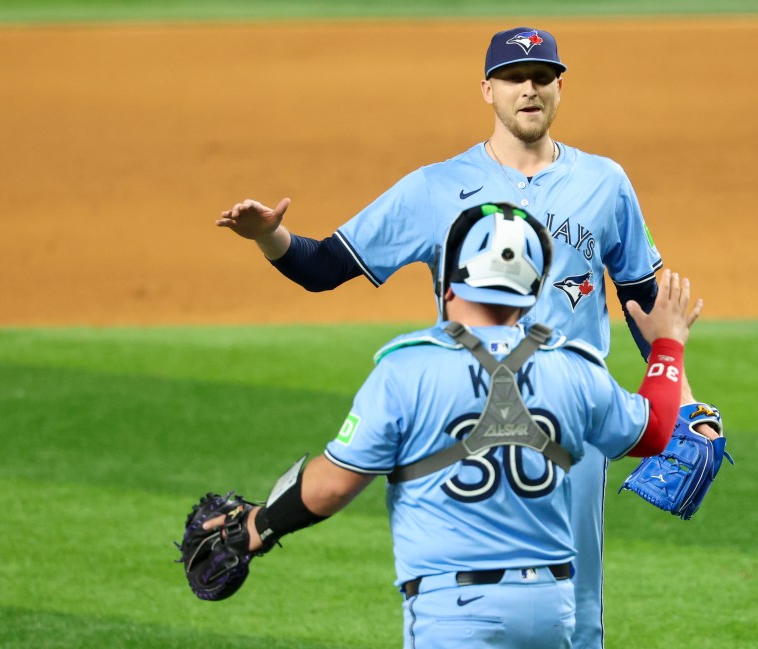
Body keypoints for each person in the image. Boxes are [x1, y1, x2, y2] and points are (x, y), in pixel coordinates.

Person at [215, 27, 720, 648]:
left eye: (541, 77)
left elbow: (645, 303)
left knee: (575, 614)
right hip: (481, 402)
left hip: (570, 419)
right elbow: (322, 267)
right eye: (514, 78)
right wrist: (269, 235)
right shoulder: (434, 187)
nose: (529, 89)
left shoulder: (605, 182)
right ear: (488, 90)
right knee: (536, 598)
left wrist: (689, 400)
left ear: (561, 86)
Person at [206, 203, 708, 648]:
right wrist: (667, 344)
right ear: (532, 289)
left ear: (448, 283)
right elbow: (657, 429)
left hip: (455, 614)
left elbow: (333, 486)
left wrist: (254, 529)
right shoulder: (574, 366)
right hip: (550, 612)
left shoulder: (407, 368)